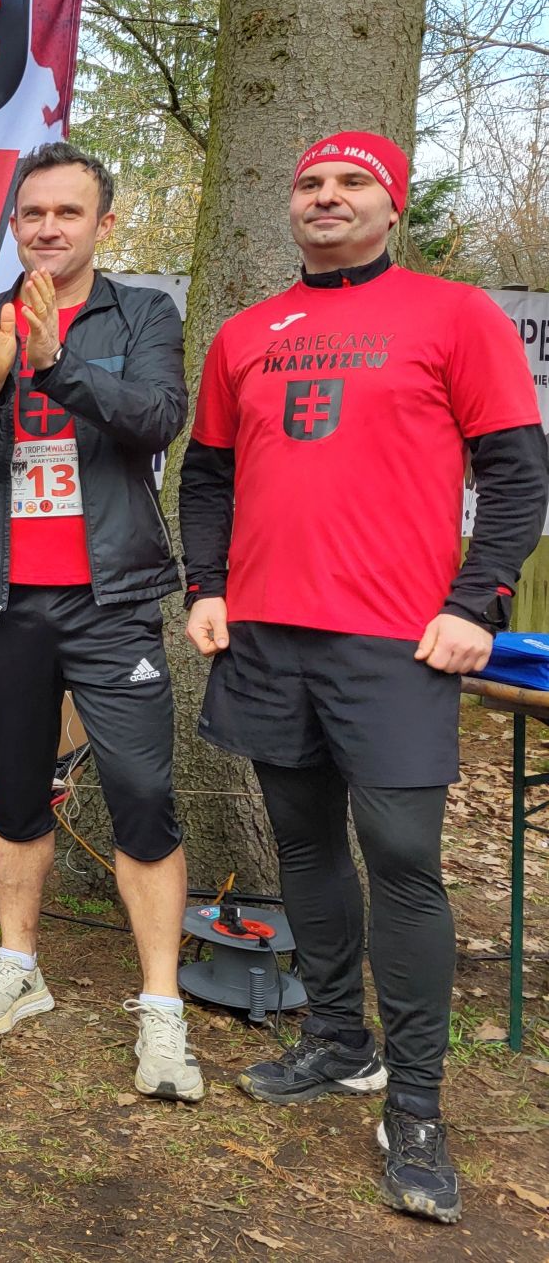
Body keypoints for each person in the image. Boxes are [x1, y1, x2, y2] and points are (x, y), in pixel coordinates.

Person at [182, 130, 549, 1222]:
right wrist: (206, 584)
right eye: (309, 182)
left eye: (351, 182)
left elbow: (516, 472)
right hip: (264, 636)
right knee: (302, 843)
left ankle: (417, 1105)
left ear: (391, 206)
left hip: (395, 641)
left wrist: (475, 603)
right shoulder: (244, 334)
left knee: (400, 857)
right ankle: (339, 1040)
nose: (326, 196)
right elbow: (207, 475)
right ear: (289, 205)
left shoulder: (456, 314)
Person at [0, 142, 202, 1103]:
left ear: (102, 224)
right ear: (13, 223)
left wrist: (56, 363)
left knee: (142, 794)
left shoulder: (143, 313)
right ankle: (17, 964)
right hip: (0, 598)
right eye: (32, 213)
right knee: (14, 790)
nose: (47, 228)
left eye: (67, 212)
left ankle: (160, 1007)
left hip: (108, 599)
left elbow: (155, 418)